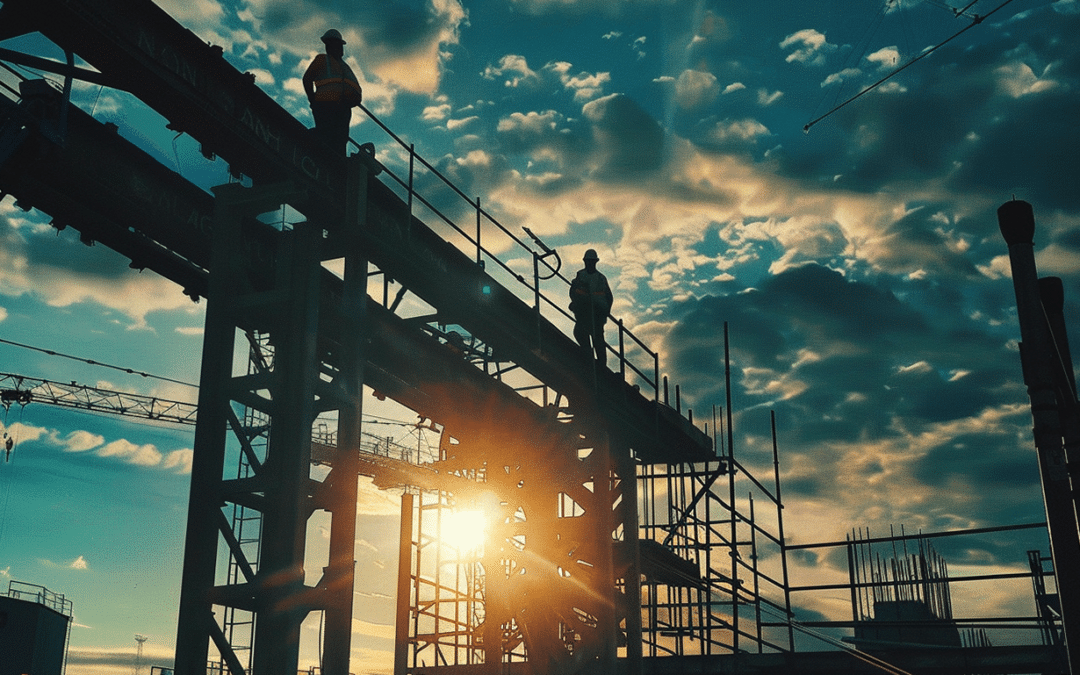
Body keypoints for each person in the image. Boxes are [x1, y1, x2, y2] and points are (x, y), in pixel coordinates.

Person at [303, 29, 363, 155]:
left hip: (343, 107)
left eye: (341, 46)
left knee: (340, 139)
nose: (341, 49)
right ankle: (320, 154)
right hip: (325, 105)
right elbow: (307, 79)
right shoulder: (321, 60)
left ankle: (338, 163)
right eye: (338, 45)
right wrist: (312, 99)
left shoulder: (344, 66)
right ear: (329, 45)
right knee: (326, 135)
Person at [569, 248, 613, 366]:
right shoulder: (580, 275)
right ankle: (588, 354)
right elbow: (574, 291)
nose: (589, 263)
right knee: (580, 332)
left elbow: (609, 297)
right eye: (588, 261)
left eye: (591, 261)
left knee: (597, 339)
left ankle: (601, 364)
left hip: (597, 312)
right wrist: (575, 303)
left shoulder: (600, 278)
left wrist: (605, 312)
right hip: (584, 311)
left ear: (595, 262)